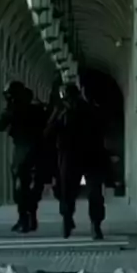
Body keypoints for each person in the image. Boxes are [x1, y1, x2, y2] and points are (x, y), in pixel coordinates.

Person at [45, 79, 106, 240]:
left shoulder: (85, 110)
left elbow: (49, 134)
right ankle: (72, 221)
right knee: (69, 192)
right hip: (75, 156)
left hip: (84, 155)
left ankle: (91, 224)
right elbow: (49, 133)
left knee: (88, 192)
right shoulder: (65, 113)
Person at [0, 80, 46, 233]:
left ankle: (24, 218)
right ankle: (30, 216)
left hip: (23, 150)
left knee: (21, 186)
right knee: (32, 186)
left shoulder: (15, 110)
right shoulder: (36, 108)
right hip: (37, 150)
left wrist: (9, 112)